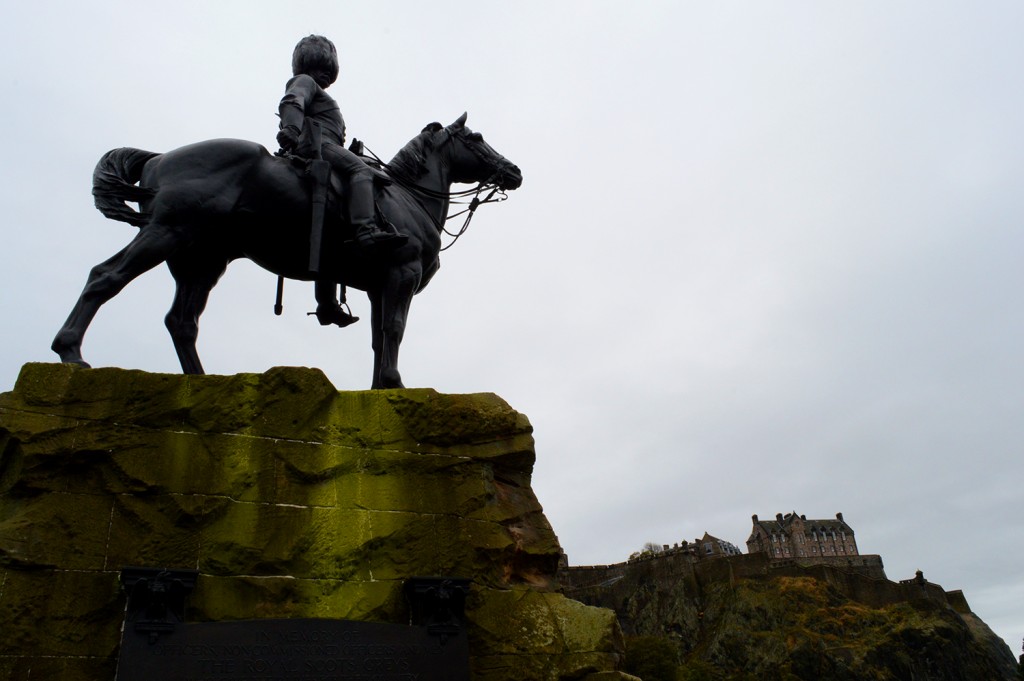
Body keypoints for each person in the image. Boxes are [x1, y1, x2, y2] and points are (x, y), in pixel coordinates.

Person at [276, 35, 405, 327]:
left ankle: (327, 304)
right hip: (318, 147)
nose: (327, 75)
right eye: (323, 68)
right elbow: (292, 101)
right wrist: (292, 130)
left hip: (327, 147)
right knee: (361, 171)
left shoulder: (319, 92)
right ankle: (365, 231)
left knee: (330, 233)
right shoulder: (305, 82)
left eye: (329, 70)